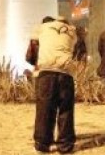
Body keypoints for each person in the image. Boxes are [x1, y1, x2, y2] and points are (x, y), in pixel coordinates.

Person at [32, 16, 77, 154]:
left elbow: (32, 51)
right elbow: (75, 51)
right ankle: (65, 144)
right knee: (66, 109)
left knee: (44, 109)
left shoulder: (42, 28)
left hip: (46, 73)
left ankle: (42, 143)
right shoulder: (72, 32)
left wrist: (36, 63)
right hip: (65, 73)